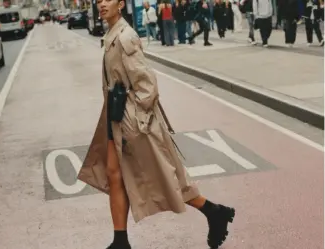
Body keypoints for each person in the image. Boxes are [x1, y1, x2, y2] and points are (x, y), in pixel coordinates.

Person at [77, 0, 236, 249]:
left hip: (130, 121)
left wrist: (137, 123)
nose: (101, 4)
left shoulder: (126, 37)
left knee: (165, 177)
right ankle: (120, 240)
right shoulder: (112, 33)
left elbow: (147, 85)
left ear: (120, 4)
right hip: (114, 117)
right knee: (114, 175)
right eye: (98, 0)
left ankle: (213, 211)